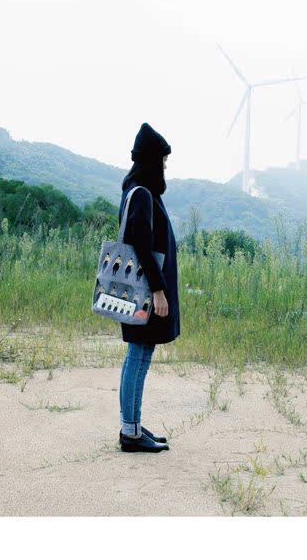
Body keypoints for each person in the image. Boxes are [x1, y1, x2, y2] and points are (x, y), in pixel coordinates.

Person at [117, 122, 180, 454]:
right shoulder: (141, 193)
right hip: (144, 292)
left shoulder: (138, 190)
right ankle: (130, 432)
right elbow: (140, 244)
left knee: (139, 355)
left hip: (143, 291)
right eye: (163, 160)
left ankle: (134, 424)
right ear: (153, 160)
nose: (166, 166)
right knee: (138, 356)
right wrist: (158, 290)